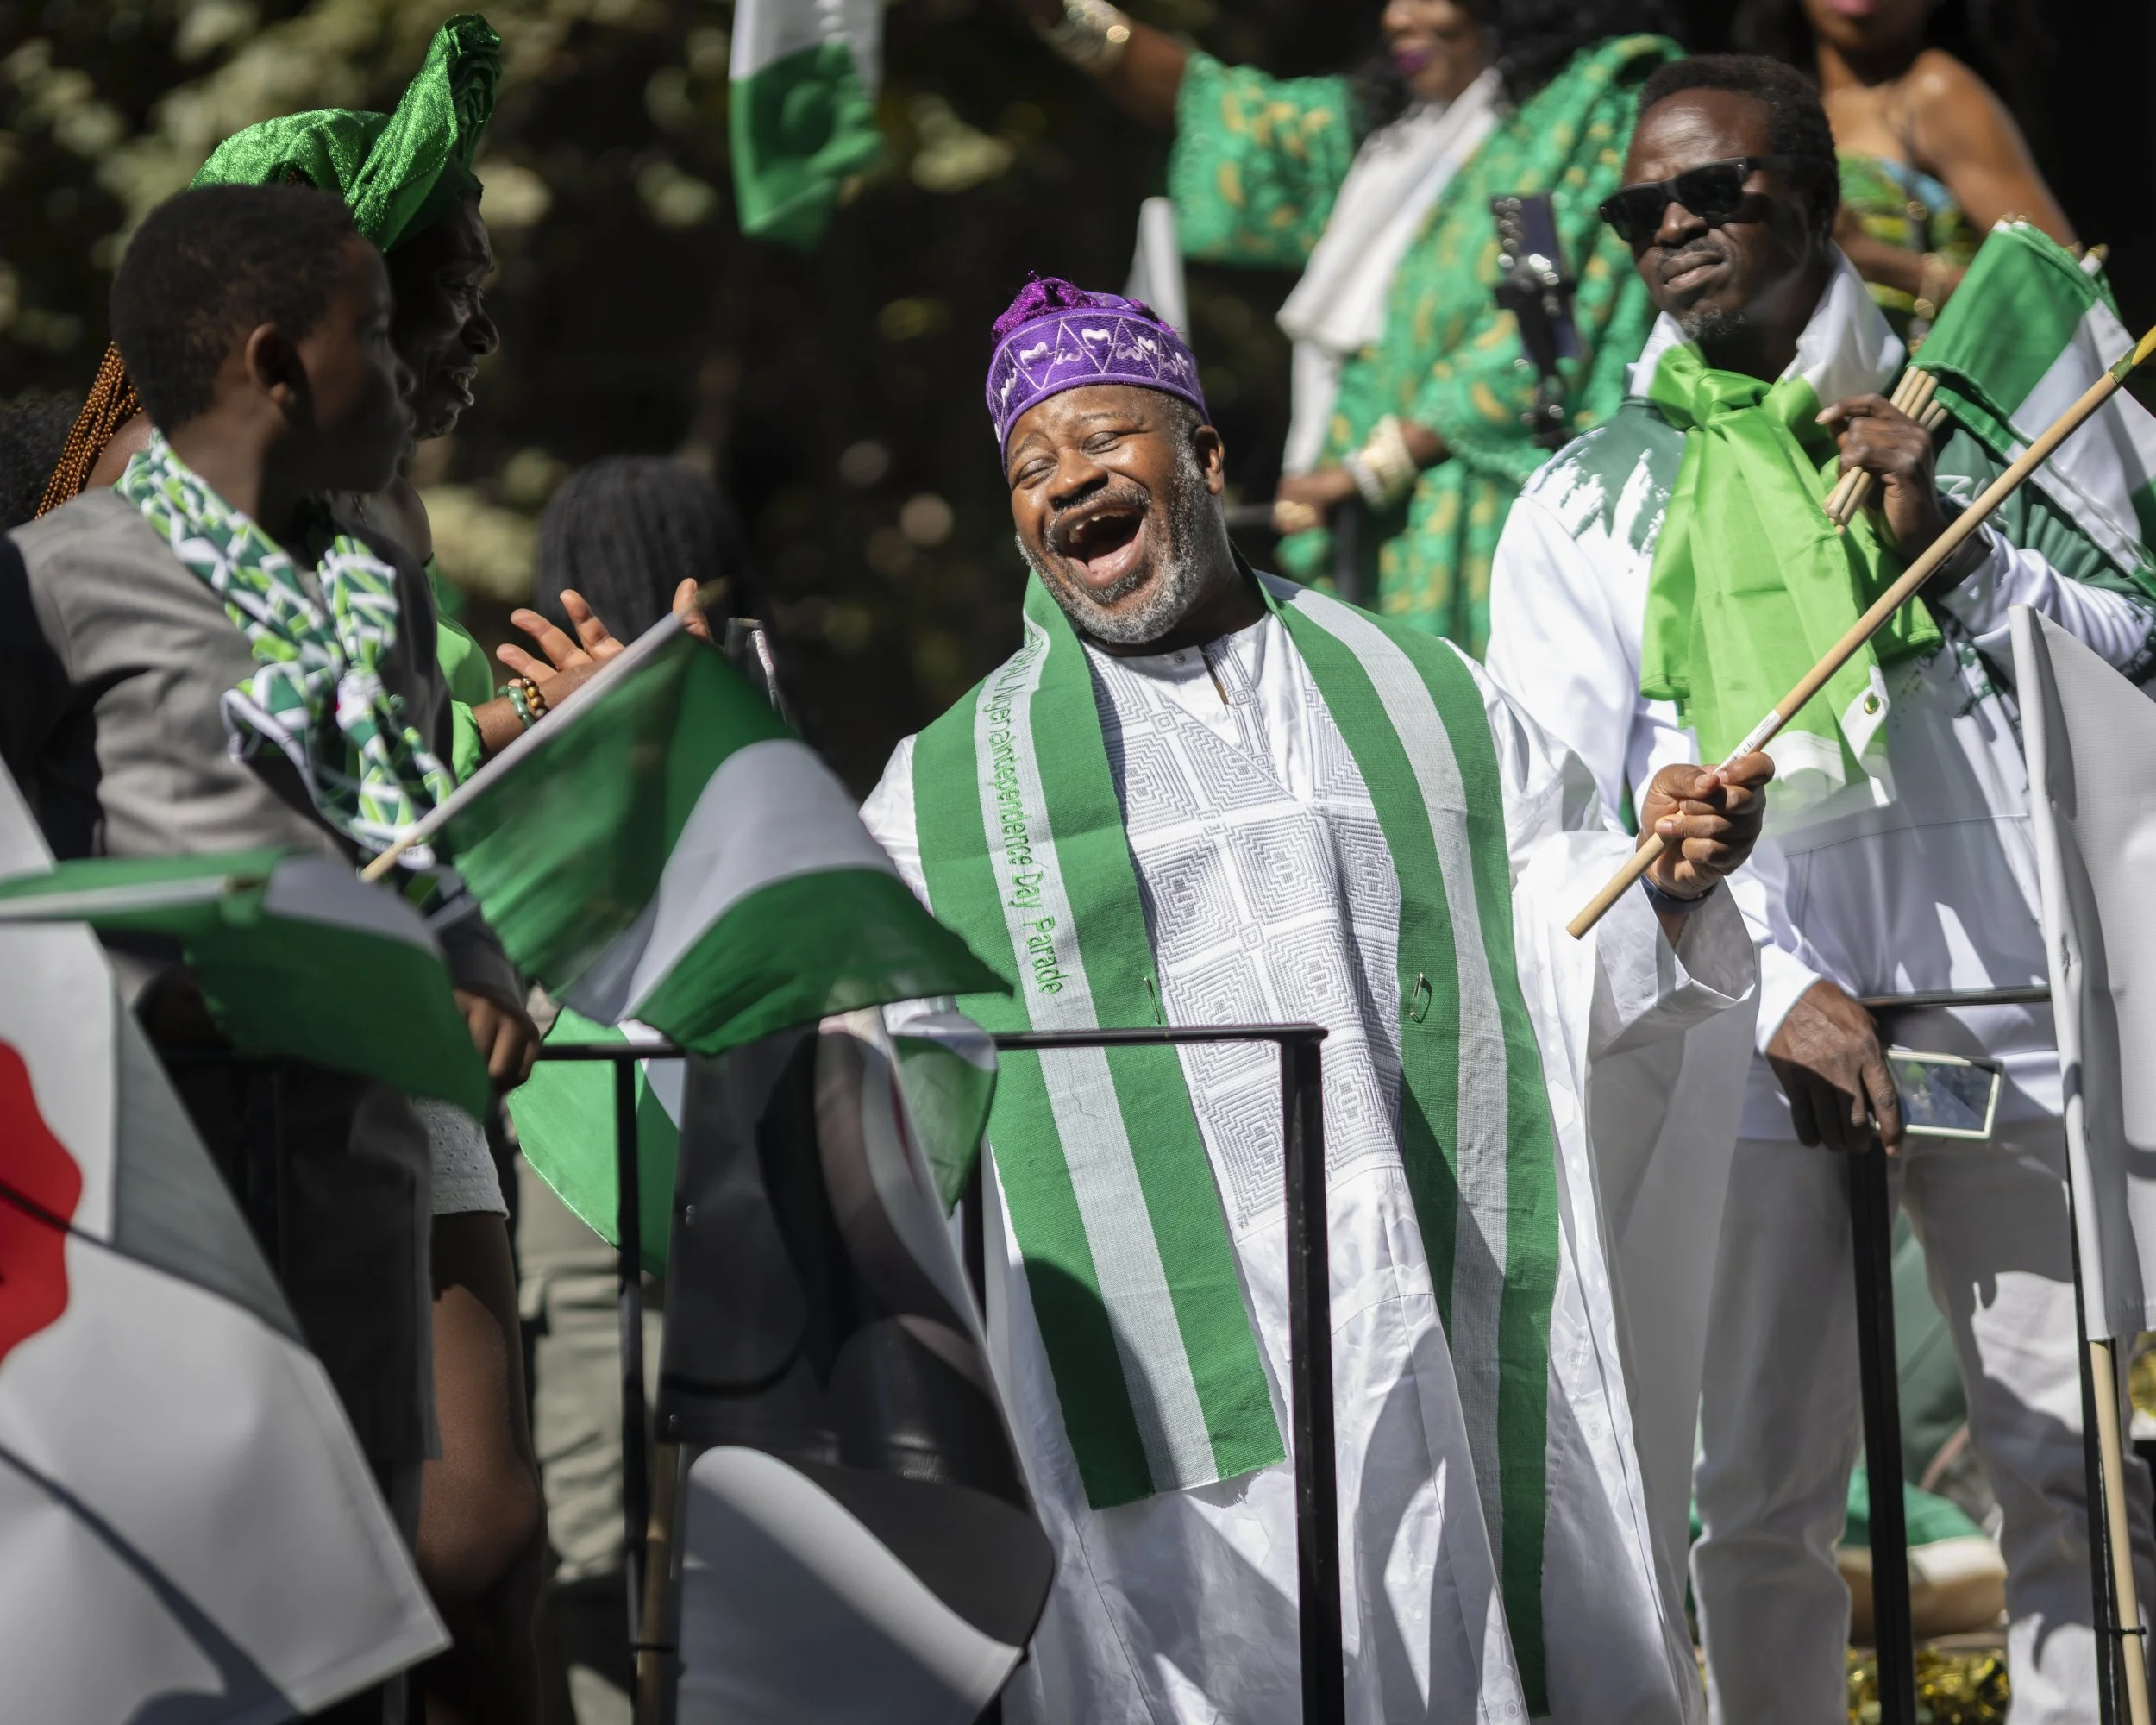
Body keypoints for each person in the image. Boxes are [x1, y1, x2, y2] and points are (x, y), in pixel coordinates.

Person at [862, 274, 1772, 1722]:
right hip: (1173, 1400)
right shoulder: (948, 792)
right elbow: (865, 1051)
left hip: (1438, 1290)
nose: (1066, 484)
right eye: (1029, 468)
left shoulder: (1421, 694)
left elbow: (1562, 903)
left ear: (1209, 460)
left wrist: (1663, 879)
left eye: (1103, 441)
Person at [1482, 53, 2156, 1723]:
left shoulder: (1972, 408)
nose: (1673, 226)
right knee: (1757, 1499)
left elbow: (2130, 651)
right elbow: (1552, 805)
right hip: (1756, 1030)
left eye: (1715, 189)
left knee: (2062, 1470)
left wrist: (1973, 545)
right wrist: (1771, 986)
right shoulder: (1582, 498)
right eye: (1643, 207)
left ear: (1817, 199)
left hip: (1998, 1021)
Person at [5, 181, 524, 1725]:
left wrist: (477, 968)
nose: (412, 369)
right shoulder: (53, 583)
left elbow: (411, 828)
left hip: (355, 1183)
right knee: (174, 1628)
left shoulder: (380, 587)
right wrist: (170, 970)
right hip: (163, 1186)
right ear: (274, 368)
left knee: (357, 1603)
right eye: (375, 334)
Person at [1007, 0, 1680, 650]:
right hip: (1357, 518)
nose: (1396, 17)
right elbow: (1229, 116)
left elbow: (1562, 316)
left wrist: (1372, 466)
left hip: (1494, 500)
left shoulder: (1598, 106)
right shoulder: (1392, 130)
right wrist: (1064, 12)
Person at [509, 456, 747, 1725]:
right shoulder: (525, 741)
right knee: (615, 1543)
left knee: (611, 1548)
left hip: (636, 1193)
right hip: (606, 1184)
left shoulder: (745, 720)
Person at [1733, 0, 2074, 342]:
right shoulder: (1771, 106)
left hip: (1926, 390)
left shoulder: (1936, 90)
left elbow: (2067, 292)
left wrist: (1878, 260)